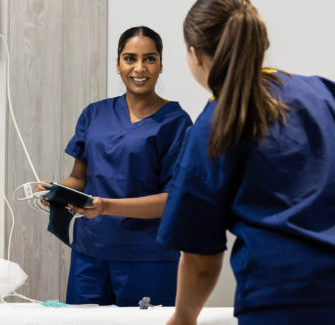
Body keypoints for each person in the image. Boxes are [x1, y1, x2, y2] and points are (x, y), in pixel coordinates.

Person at [156, 0, 335, 324]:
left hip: (280, 303)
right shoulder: (321, 94)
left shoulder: (214, 125)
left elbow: (201, 263)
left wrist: (183, 317)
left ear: (195, 55)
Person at [36, 26, 193, 307]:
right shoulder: (94, 114)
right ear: (118, 65)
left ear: (160, 66)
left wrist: (106, 207)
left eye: (150, 58)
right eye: (130, 58)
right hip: (90, 253)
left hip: (148, 257)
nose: (140, 68)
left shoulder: (175, 122)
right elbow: (78, 179)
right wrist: (57, 191)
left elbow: (174, 201)